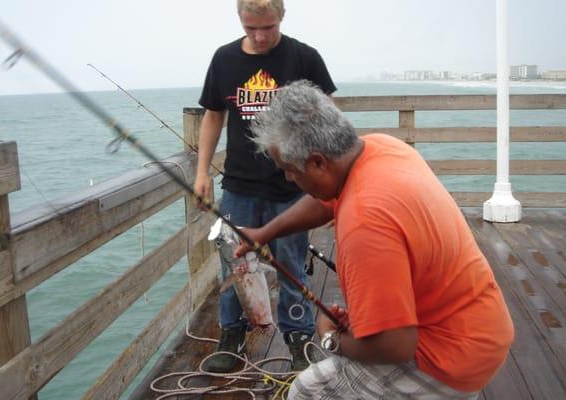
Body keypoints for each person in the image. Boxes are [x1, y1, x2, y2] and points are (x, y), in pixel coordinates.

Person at [235, 80, 515, 399]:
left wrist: (330, 338)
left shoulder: (364, 223)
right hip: (481, 324)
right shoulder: (382, 148)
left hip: (449, 357)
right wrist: (264, 233)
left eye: (288, 169)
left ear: (317, 162)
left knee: (304, 391)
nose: (287, 177)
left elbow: (395, 345)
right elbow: (326, 197)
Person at [193, 0, 336, 372]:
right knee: (235, 265)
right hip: (238, 186)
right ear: (239, 20)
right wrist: (202, 171)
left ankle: (298, 336)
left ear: (282, 17)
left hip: (291, 188)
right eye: (250, 28)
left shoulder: (305, 59)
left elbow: (329, 120)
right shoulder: (224, 60)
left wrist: (332, 184)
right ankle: (232, 334)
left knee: (291, 266)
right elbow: (212, 117)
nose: (259, 36)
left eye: (268, 27)